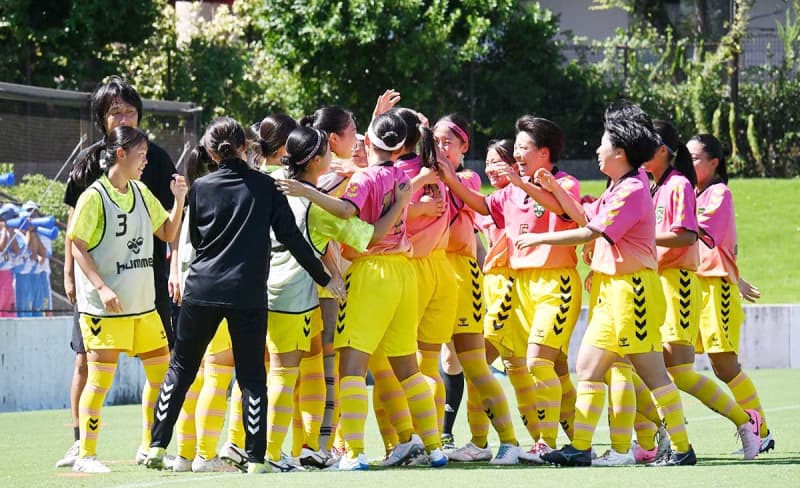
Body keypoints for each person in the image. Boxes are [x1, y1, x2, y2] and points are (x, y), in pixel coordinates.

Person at [144, 117, 336, 475]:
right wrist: (324, 276)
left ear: (211, 152)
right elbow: (293, 239)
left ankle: (157, 445)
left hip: (202, 290)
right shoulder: (266, 188)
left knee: (182, 369)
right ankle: (256, 459)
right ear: (246, 148)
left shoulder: (200, 188)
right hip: (247, 294)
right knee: (251, 377)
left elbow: (197, 241)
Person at [516, 101, 696, 467]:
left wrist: (538, 240)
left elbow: (589, 230)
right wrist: (553, 188)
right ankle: (580, 447)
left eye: (602, 145)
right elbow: (583, 215)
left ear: (620, 152)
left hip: (633, 293)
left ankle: (681, 448)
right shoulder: (617, 186)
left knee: (651, 371)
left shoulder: (632, 188)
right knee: (588, 367)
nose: (597, 150)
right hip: (611, 293)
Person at [278, 112, 448, 470]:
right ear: (401, 145)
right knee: (407, 368)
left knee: (351, 370)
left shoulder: (366, 177)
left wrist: (306, 190)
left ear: (368, 142)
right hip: (405, 274)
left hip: (372, 271)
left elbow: (345, 210)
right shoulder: (402, 174)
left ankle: (353, 453)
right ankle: (434, 447)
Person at [264, 125, 409, 471]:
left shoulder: (272, 185)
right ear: (315, 160)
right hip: (295, 295)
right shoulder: (321, 208)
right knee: (288, 374)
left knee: (270, 373)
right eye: (327, 153)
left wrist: (331, 267)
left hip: (264, 288)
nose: (333, 156)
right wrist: (401, 202)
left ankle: (264, 448)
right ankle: (272, 453)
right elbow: (370, 235)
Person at [57, 76, 178, 468]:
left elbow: (168, 230)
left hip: (145, 291)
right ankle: (83, 446)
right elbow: (75, 231)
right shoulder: (91, 170)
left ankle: (150, 443)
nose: (124, 115)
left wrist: (181, 201)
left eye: (129, 109)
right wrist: (76, 277)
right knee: (89, 366)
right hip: (103, 292)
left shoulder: (151, 169)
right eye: (115, 111)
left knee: (163, 367)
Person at [434, 114, 520, 464]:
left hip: (460, 273)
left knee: (473, 363)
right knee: (432, 360)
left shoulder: (465, 178)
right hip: (432, 272)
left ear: (462, 147)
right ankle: (433, 438)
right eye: (435, 141)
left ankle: (509, 441)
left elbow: (456, 198)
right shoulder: (427, 173)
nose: (440, 148)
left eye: (447, 142)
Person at [688, 133, 773, 453]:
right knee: (672, 361)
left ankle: (760, 429)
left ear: (714, 162)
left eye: (695, 157)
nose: (689, 162)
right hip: (691, 286)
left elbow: (703, 236)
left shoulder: (719, 194)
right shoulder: (691, 193)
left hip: (714, 289)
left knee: (724, 365)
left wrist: (732, 278)